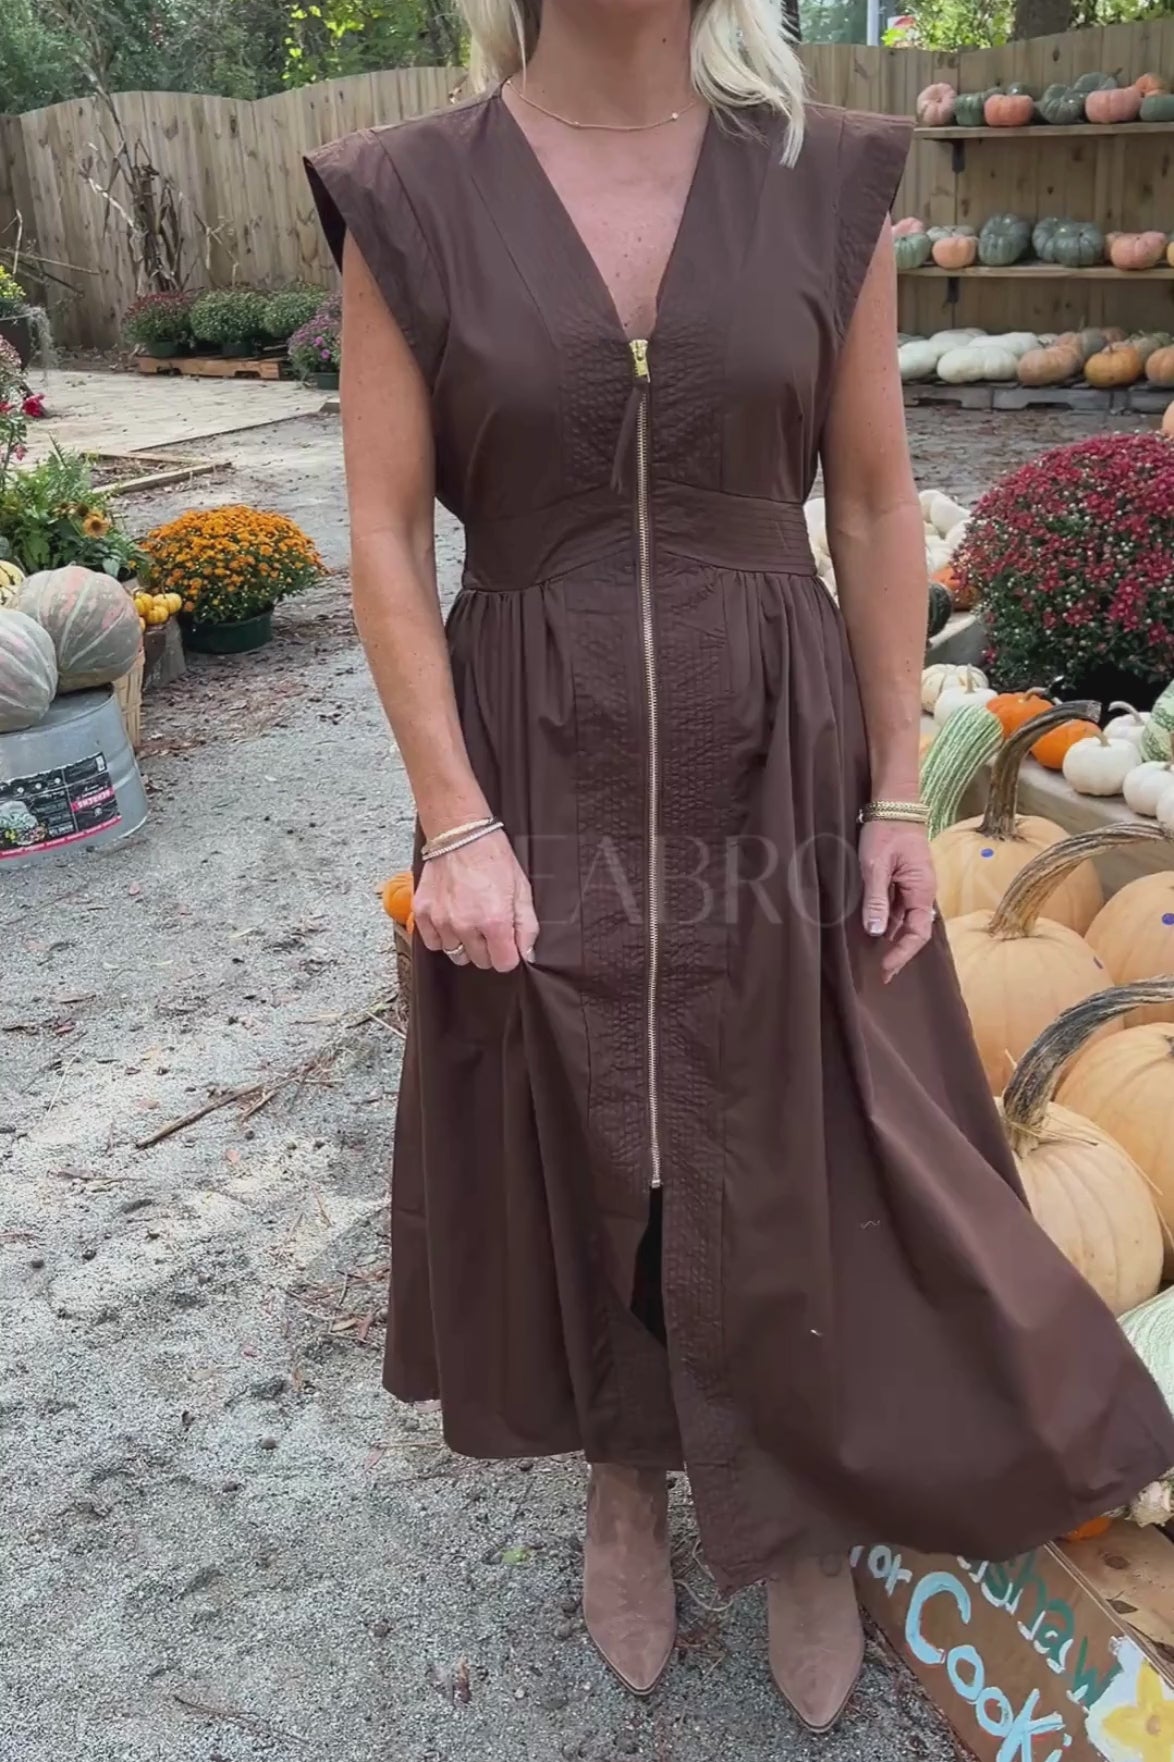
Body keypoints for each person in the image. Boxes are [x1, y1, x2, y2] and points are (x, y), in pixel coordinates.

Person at [306, 0, 1174, 1730]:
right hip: (532, 740)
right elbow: (387, 530)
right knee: (583, 1119)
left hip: (778, 739)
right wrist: (454, 817)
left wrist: (896, 794)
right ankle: (625, 1473)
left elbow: (871, 499)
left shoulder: (821, 174)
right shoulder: (408, 193)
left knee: (791, 1119)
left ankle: (794, 1510)